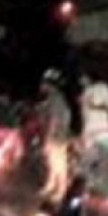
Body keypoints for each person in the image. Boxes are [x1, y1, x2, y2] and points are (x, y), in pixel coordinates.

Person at [37, 70, 77, 206]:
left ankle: (61, 191)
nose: (42, 86)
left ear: (49, 85)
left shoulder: (55, 100)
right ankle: (51, 186)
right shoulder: (56, 98)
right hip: (60, 134)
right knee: (52, 162)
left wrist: (48, 137)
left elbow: (54, 120)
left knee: (58, 163)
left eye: (44, 83)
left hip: (57, 136)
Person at [78, 71, 108, 147]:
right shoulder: (87, 89)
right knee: (89, 147)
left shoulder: (104, 88)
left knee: (102, 147)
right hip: (89, 125)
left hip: (101, 124)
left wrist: (94, 106)